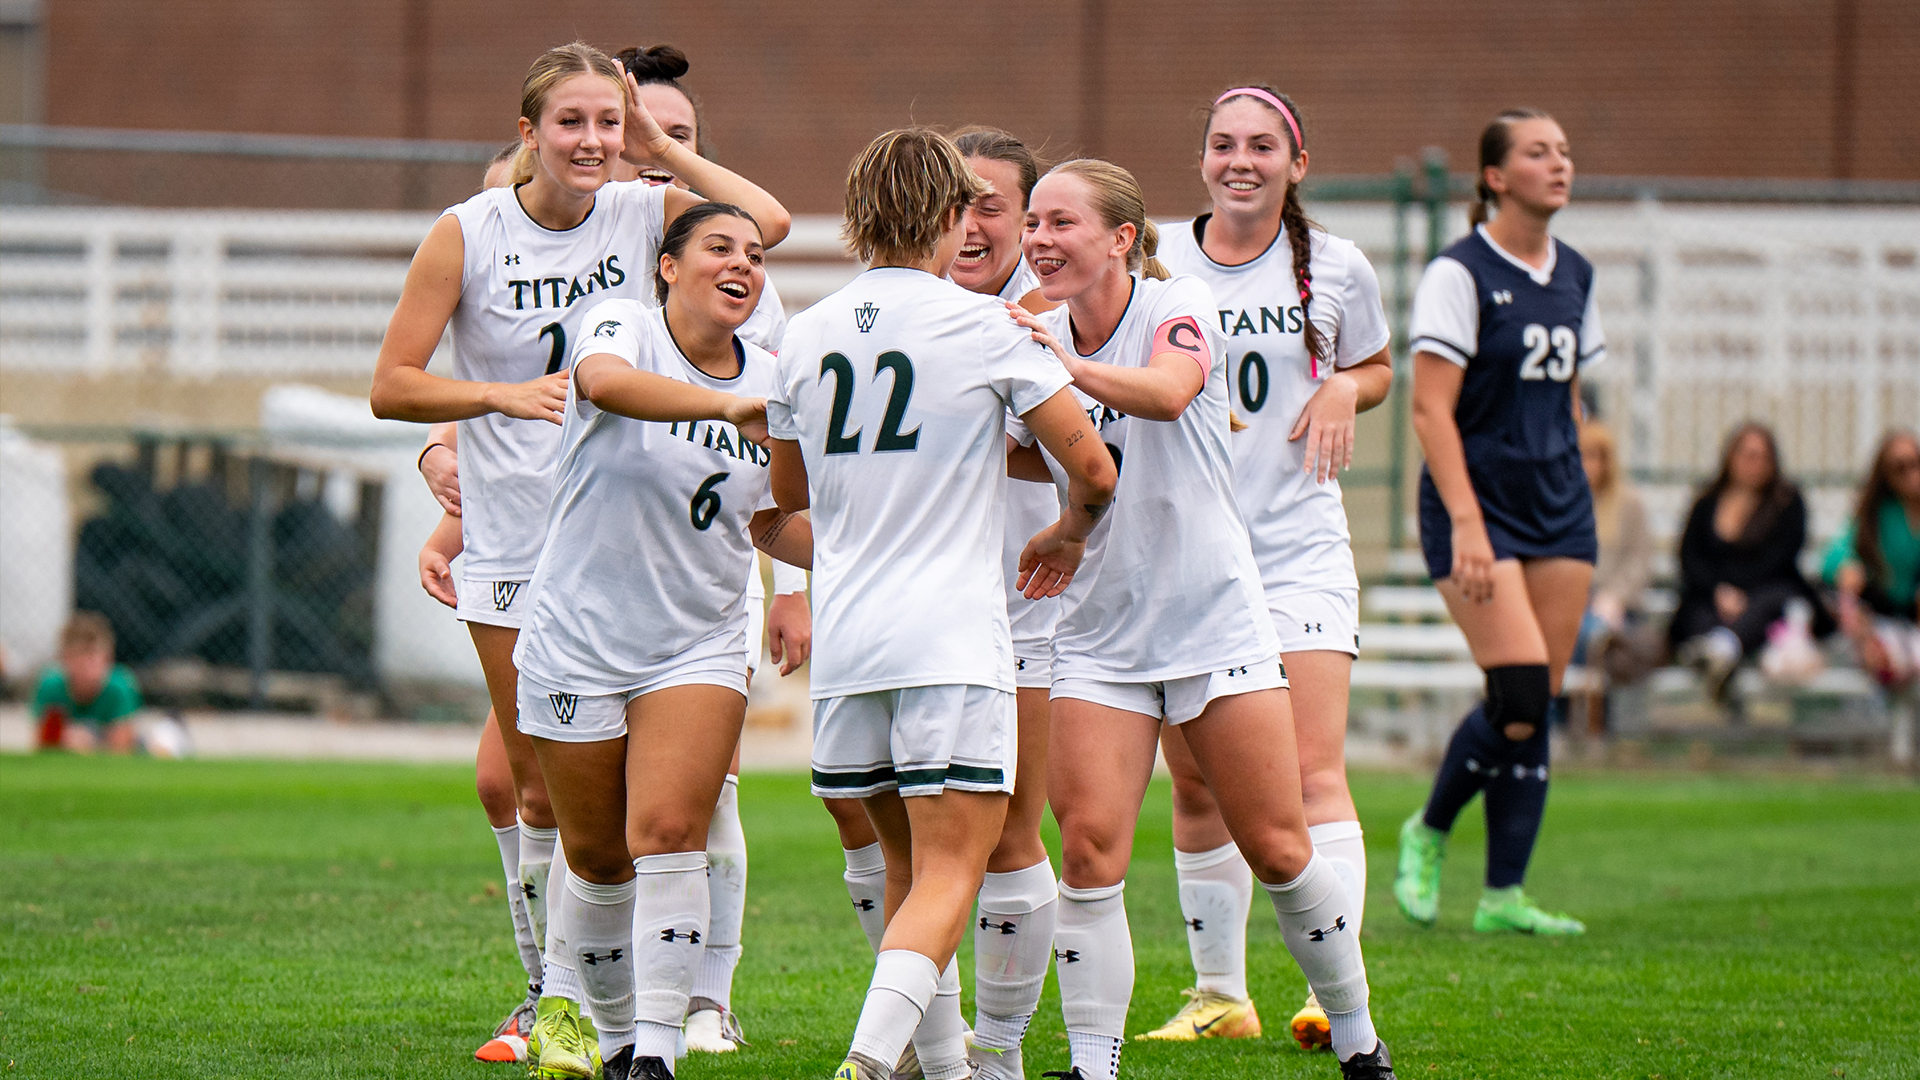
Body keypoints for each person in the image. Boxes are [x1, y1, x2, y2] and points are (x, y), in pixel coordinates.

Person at [369, 40, 790, 1072]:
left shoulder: (643, 211)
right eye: (573, 122)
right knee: (538, 796)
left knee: (679, 802)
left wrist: (659, 146)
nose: (595, 141)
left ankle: (675, 1012)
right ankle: (550, 997)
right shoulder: (468, 231)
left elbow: (767, 223)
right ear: (529, 132)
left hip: (638, 538)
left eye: (609, 122)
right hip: (518, 539)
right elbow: (392, 384)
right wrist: (492, 401)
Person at [1013, 157, 1395, 1080]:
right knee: (1089, 853)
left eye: (1060, 223)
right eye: (1032, 223)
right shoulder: (1027, 332)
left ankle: (1357, 1038)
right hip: (1099, 633)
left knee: (1278, 846)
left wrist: (1065, 367)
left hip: (1214, 621)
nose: (1038, 240)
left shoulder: (1175, 303)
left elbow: (1170, 391)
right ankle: (1092, 1065)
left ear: (1121, 238)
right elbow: (1028, 451)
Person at [764, 127, 1115, 1080]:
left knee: (906, 872)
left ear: (857, 214)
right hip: (950, 641)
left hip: (850, 645)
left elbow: (787, 497)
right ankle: (868, 1061)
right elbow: (1092, 468)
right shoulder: (985, 328)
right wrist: (1070, 531)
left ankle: (951, 1072)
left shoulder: (805, 333)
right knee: (957, 869)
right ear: (954, 214)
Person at [510, 200, 809, 1080]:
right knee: (598, 860)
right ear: (669, 267)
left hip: (698, 640)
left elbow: (771, 520)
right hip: (577, 635)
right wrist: (730, 405)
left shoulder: (777, 377)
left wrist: (868, 551)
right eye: (719, 247)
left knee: (672, 831)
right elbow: (603, 384)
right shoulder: (626, 326)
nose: (743, 264)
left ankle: (658, 1050)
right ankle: (613, 1041)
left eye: (754, 254)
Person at [1147, 86, 1393, 1052]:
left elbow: (1376, 366)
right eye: (1222, 144)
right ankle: (1220, 996)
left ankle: (1334, 997)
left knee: (1312, 773)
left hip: (1297, 552)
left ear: (1297, 164)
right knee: (1197, 784)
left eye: (1260, 146)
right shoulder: (1159, 254)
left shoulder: (1337, 264)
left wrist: (1345, 386)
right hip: (1189, 555)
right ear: (1203, 158)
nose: (1239, 161)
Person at [1393, 109, 1600, 938]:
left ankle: (1504, 894)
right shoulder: (1460, 272)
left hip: (1560, 505)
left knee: (1534, 703)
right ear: (1495, 176)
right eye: (1538, 152)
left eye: (1564, 151)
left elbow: (1570, 393)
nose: (1559, 163)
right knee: (1516, 691)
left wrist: (1575, 467)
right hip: (1477, 505)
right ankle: (1429, 829)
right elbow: (1430, 410)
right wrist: (1470, 525)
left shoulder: (1576, 271)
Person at [1668, 422, 1833, 699]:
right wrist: (1718, 590)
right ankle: (1714, 652)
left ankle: (1723, 649)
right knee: (1696, 610)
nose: (1753, 464)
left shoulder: (1787, 502)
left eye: (1761, 457)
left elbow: (1781, 558)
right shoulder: (1707, 502)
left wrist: (1739, 591)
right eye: (1747, 455)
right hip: (1711, 596)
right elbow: (1689, 556)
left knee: (1771, 600)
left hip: (1765, 593)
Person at [1824, 431, 1920, 686]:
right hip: (1883, 614)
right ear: (1886, 476)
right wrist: (1846, 566)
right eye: (1901, 468)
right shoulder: (1879, 514)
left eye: (1917, 462)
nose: (1913, 473)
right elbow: (1835, 554)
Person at [1574, 420, 1655, 682]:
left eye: (1593, 456)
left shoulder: (1629, 503)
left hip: (1616, 606)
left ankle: (1592, 706)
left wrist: (1614, 597)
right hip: (1573, 601)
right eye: (1581, 456)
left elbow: (1639, 561)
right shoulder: (1565, 504)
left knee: (1595, 636)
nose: (1587, 465)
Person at [32, 612, 142, 755]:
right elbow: (41, 745)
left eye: (92, 659)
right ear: (64, 660)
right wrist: (64, 739)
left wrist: (90, 744)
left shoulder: (120, 687)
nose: (87, 669)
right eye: (79, 661)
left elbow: (121, 748)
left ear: (107, 659)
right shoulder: (50, 687)